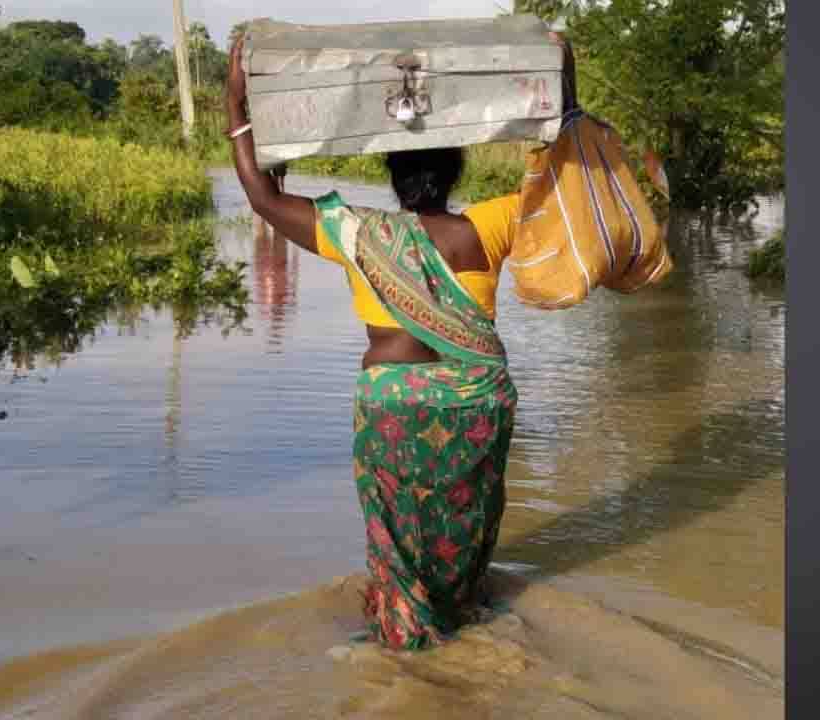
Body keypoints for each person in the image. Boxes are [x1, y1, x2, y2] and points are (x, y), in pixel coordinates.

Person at [225, 32, 576, 651]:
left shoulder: (355, 231)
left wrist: (238, 106)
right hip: (476, 402)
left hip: (396, 406)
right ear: (456, 170)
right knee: (464, 529)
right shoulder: (488, 225)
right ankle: (463, 624)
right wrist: (563, 82)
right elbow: (563, 179)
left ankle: (404, 643)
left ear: (389, 173)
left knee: (397, 539)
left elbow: (262, 196)